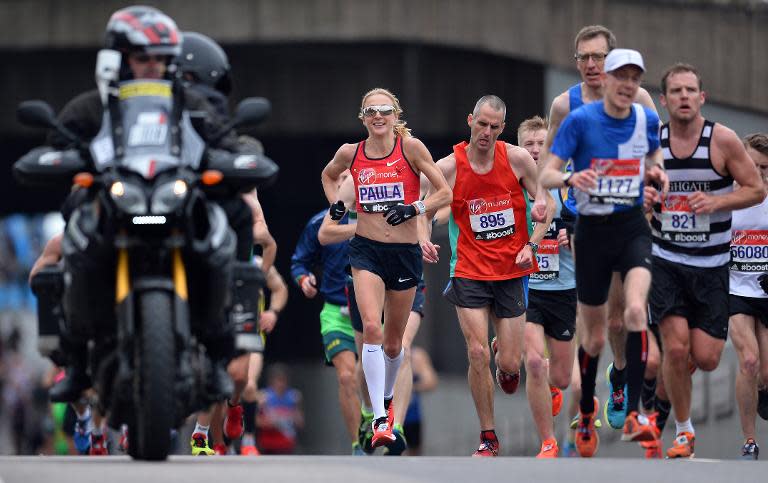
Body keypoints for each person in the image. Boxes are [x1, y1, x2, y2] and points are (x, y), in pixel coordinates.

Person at [45, 6, 239, 405]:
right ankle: (77, 361)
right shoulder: (92, 106)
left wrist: (237, 157)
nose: (153, 66)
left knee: (220, 237)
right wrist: (59, 158)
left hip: (174, 200)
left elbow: (227, 142)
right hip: (113, 201)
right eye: (143, 57)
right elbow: (57, 143)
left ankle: (219, 354)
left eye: (161, 58)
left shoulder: (192, 103)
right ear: (118, 59)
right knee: (75, 238)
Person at [540, 48, 669, 457]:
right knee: (595, 337)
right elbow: (546, 172)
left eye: (636, 78)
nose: (629, 85)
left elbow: (654, 157)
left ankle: (635, 413)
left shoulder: (646, 118)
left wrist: (657, 174)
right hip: (591, 233)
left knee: (633, 313)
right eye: (622, 77)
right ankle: (587, 409)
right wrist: (569, 176)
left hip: (632, 227)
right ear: (607, 80)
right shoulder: (579, 120)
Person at [420, 95, 550, 457]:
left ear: (502, 129)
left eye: (494, 127)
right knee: (476, 352)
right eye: (482, 124)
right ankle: (488, 437)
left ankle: (505, 356)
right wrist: (421, 238)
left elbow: (546, 206)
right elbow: (424, 204)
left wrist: (533, 244)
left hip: (511, 271)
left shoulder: (519, 160)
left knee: (510, 364)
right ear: (470, 121)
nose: (487, 132)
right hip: (468, 270)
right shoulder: (450, 165)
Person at [320, 87, 451, 448]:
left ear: (396, 115)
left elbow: (444, 193)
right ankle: (379, 417)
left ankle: (387, 399)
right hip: (366, 251)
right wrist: (336, 207)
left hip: (405, 253)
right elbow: (329, 176)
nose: (378, 116)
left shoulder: (411, 148)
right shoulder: (351, 153)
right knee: (372, 330)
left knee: (395, 346)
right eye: (371, 111)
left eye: (385, 110)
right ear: (362, 118)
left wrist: (414, 209)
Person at [651, 62, 765, 458]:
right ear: (663, 100)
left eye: (690, 90)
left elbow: (755, 190)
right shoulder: (653, 141)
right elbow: (632, 191)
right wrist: (647, 201)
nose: (684, 96)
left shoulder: (724, 141)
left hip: (713, 265)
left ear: (702, 97)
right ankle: (683, 431)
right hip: (665, 260)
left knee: (707, 357)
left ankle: (668, 399)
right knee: (677, 349)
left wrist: (717, 201)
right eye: (676, 91)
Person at [290, 170, 366, 455]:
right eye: (340, 180)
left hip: (374, 313)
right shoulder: (319, 223)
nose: (346, 185)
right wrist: (303, 279)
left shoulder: (376, 218)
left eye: (352, 180)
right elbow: (299, 262)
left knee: (372, 373)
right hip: (337, 312)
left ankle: (376, 417)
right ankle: (358, 444)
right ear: (331, 186)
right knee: (346, 376)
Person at [517, 116, 576, 458]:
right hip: (526, 289)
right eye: (530, 144)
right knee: (535, 363)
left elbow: (593, 225)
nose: (536, 151)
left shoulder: (565, 186)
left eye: (543, 145)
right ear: (520, 147)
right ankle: (548, 442)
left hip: (564, 289)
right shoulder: (513, 184)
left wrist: (574, 234)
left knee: (563, 378)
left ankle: (554, 388)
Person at [729, 133, 768, 460]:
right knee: (749, 360)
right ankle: (749, 441)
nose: (757, 173)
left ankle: (764, 389)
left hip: (766, 291)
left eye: (764, 168)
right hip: (735, 289)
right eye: (752, 165)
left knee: (765, 372)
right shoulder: (728, 196)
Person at [256, 364, 303, 454]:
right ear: (271, 381)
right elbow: (255, 421)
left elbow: (300, 423)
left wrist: (288, 418)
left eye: (283, 381)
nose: (281, 384)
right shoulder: (263, 396)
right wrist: (271, 422)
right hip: (268, 444)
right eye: (278, 380)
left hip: (287, 444)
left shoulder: (294, 397)